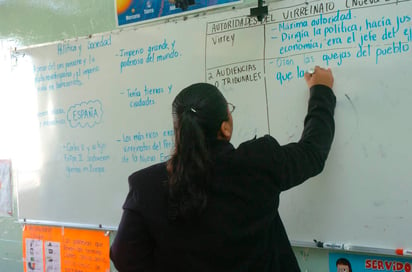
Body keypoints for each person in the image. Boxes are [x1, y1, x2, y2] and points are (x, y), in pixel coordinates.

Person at [110, 66, 336, 271]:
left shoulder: (147, 186)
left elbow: (123, 257)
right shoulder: (259, 163)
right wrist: (321, 91)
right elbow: (313, 152)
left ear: (179, 131)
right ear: (225, 128)